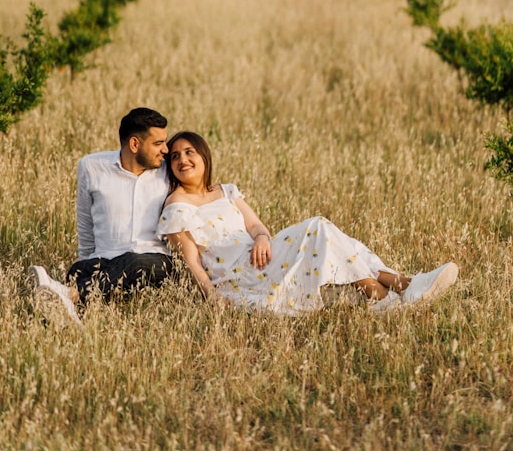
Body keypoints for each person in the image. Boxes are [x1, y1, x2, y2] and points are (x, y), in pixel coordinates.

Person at [159, 131, 459, 314]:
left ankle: (391, 293)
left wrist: (263, 238)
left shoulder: (225, 191)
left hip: (260, 254)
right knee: (318, 227)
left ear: (203, 156)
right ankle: (395, 287)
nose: (183, 160)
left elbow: (256, 227)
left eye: (189, 152)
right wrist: (213, 298)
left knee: (329, 237)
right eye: (175, 157)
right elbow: (191, 260)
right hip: (238, 273)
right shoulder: (176, 206)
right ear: (171, 167)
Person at [29, 107, 173, 323]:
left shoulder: (168, 171)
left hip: (154, 262)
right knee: (78, 271)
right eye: (158, 143)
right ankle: (59, 320)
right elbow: (85, 222)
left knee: (134, 261)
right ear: (135, 144)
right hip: (105, 259)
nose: (166, 149)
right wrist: (84, 260)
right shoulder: (92, 167)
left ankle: (68, 295)